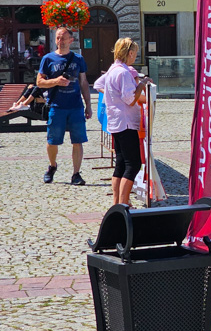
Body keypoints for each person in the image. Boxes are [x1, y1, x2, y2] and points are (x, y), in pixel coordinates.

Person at [93, 39, 152, 206]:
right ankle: (124, 202)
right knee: (132, 164)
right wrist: (141, 85)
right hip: (126, 122)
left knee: (120, 163)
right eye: (135, 53)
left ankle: (116, 202)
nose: (135, 56)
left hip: (115, 122)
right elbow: (130, 99)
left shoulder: (113, 70)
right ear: (130, 53)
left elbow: (99, 84)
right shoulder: (124, 72)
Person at [36, 27, 92, 185]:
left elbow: (84, 83)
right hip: (56, 105)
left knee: (78, 140)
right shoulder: (48, 59)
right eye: (58, 38)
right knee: (52, 141)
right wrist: (55, 81)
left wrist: (88, 105)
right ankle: (52, 166)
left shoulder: (78, 59)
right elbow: (39, 82)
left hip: (75, 106)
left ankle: (76, 174)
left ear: (71, 40)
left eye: (63, 38)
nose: (60, 41)